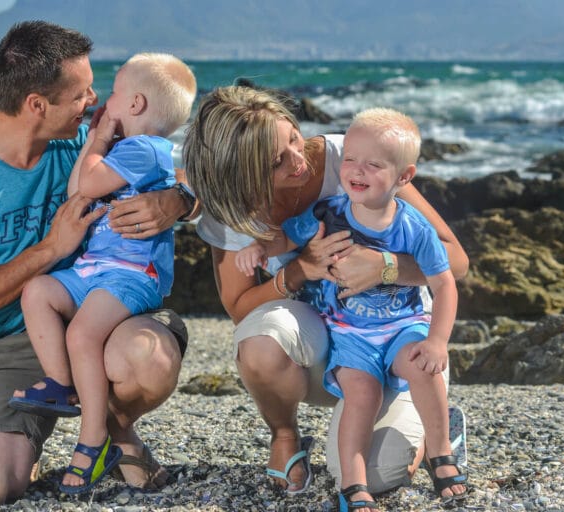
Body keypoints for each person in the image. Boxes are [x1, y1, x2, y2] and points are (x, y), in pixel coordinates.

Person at [0, 22, 197, 504]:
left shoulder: (87, 141)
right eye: (81, 94)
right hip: (6, 342)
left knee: (148, 360)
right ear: (36, 105)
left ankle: (113, 434)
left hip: (102, 312)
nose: (94, 102)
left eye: (94, 88)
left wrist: (179, 200)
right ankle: (31, 432)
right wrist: (49, 248)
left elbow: (184, 165)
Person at [182, 86, 469, 497]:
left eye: (294, 139)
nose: (297, 161)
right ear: (241, 173)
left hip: (397, 340)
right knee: (260, 342)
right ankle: (285, 437)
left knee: (380, 475)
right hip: (330, 343)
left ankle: (440, 425)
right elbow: (240, 309)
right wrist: (301, 269)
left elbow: (454, 262)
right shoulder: (232, 209)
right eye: (276, 161)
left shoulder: (356, 158)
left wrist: (384, 267)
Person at [8, 52, 197, 495]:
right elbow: (80, 189)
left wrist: (96, 142)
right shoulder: (124, 150)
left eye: (111, 93)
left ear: (134, 105)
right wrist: (100, 145)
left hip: (130, 274)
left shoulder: (144, 150)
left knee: (82, 336)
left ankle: (92, 440)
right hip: (95, 269)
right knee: (38, 291)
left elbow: (87, 186)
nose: (101, 100)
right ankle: (61, 384)